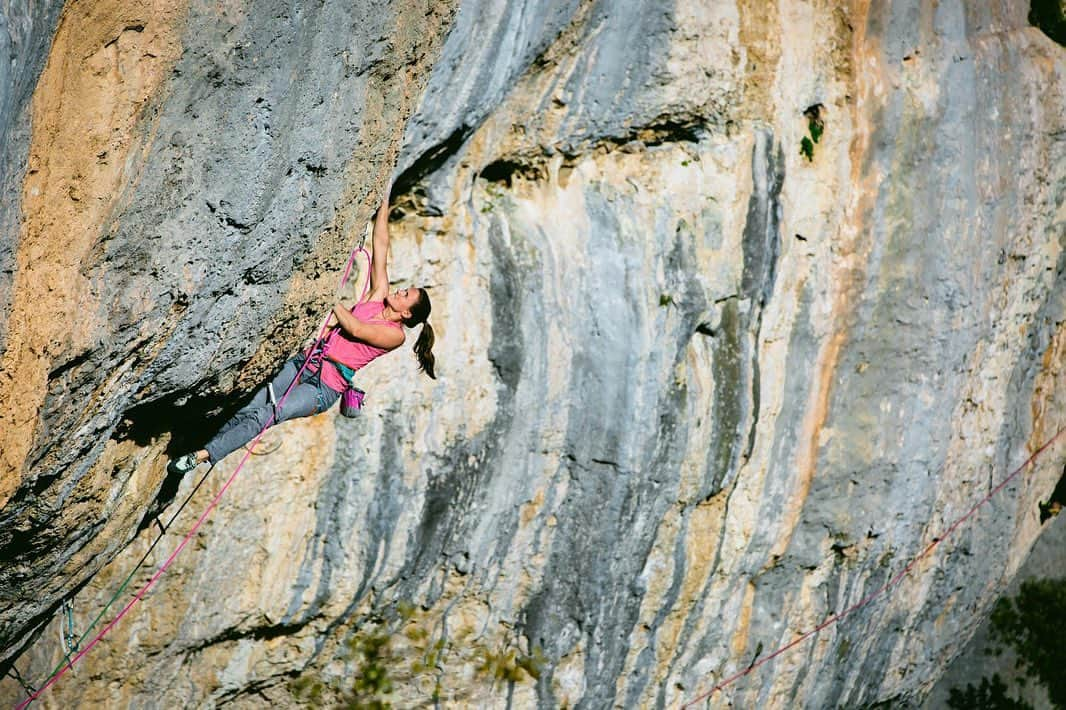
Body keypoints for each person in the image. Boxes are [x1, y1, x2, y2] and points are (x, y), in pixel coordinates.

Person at [167, 192, 436, 476]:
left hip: (324, 387)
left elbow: (356, 329)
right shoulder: (378, 295)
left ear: (406, 313)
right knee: (251, 406)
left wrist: (330, 297)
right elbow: (381, 244)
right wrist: (384, 199)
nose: (399, 290)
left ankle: (202, 456)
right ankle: (205, 448)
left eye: (405, 295)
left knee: (271, 413)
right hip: (305, 361)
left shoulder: (395, 336)